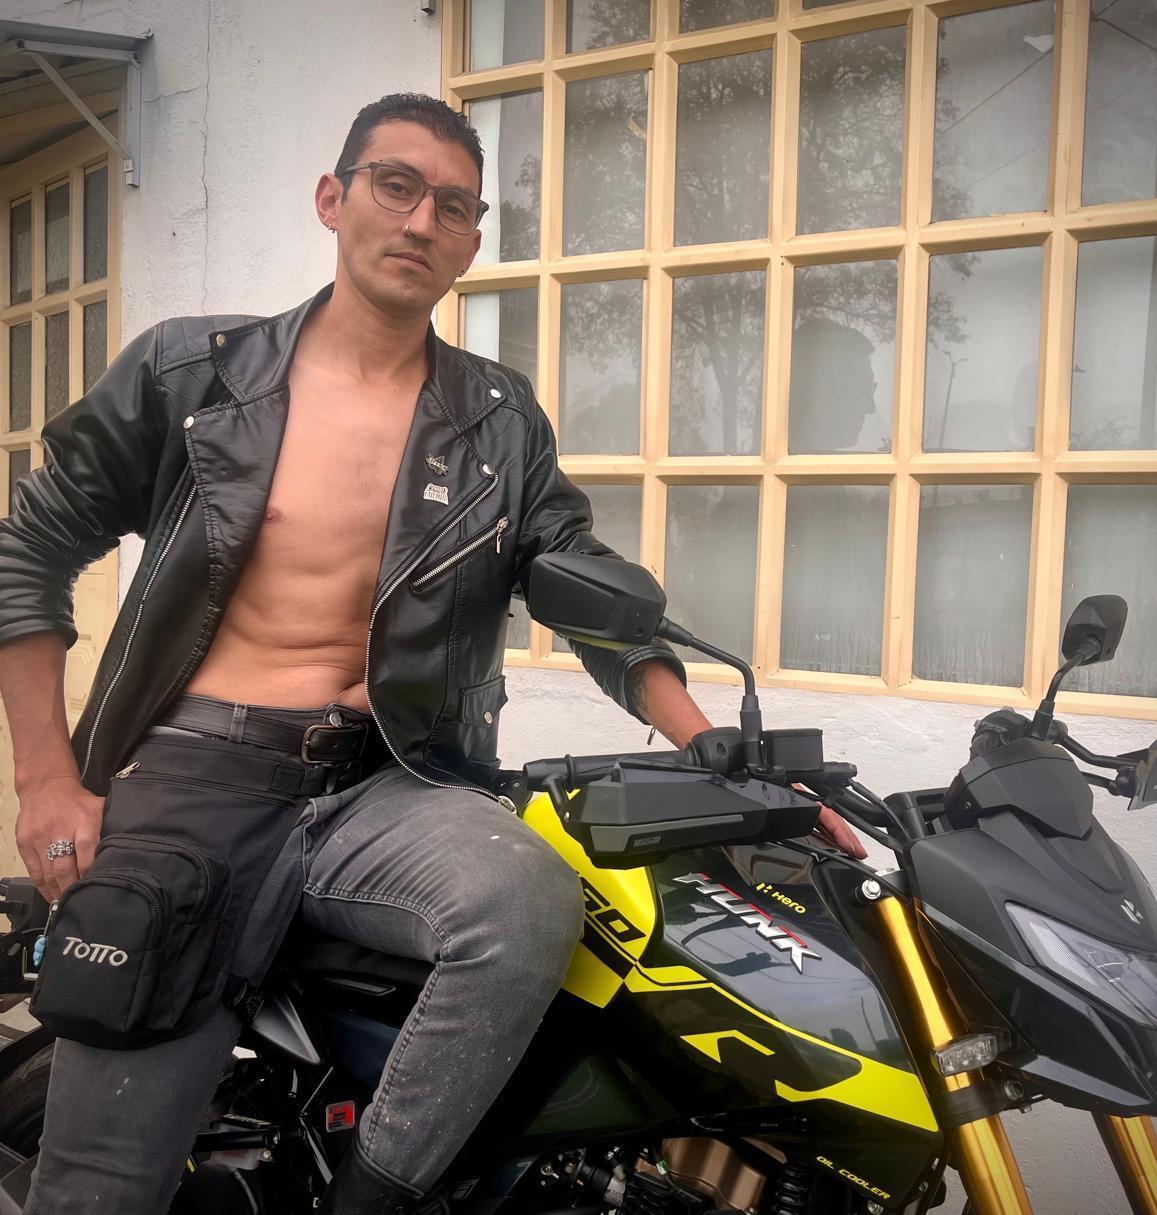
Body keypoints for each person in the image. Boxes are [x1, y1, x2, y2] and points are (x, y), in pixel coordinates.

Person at [0, 94, 863, 1214]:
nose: (419, 221)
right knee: (100, 1188)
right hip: (198, 777)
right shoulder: (191, 374)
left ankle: (376, 1195)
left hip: (391, 779)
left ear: (471, 241)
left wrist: (717, 750)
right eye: (395, 186)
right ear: (334, 197)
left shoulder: (497, 420)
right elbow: (28, 551)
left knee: (527, 898)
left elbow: (587, 592)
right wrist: (45, 780)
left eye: (452, 206)